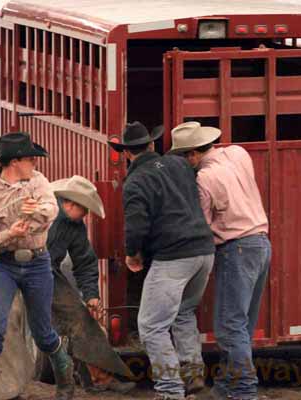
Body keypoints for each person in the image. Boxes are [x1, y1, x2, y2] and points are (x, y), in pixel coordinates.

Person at [0, 132, 75, 400]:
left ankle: (65, 378)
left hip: (37, 262)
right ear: (15, 162)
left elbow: (51, 209)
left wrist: (33, 211)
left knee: (43, 333)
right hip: (3, 264)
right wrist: (7, 235)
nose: (35, 163)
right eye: (30, 158)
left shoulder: (38, 182)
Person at [109, 121, 215, 400]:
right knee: (183, 313)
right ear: (153, 144)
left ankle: (169, 390)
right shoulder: (181, 165)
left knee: (151, 326)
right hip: (204, 251)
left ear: (127, 153)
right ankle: (193, 377)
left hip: (173, 257)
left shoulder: (135, 181)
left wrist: (133, 254)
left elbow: (136, 226)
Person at [170, 122, 271, 400]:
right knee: (242, 324)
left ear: (192, 154)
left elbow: (202, 225)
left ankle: (243, 390)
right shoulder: (238, 153)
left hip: (236, 247)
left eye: (184, 157)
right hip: (261, 242)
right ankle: (228, 385)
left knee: (229, 326)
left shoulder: (204, 178)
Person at [47, 175, 136, 394]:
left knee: (81, 319)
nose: (86, 214)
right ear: (71, 204)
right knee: (64, 323)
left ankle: (98, 378)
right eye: (84, 209)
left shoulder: (74, 226)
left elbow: (85, 262)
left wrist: (91, 295)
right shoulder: (46, 213)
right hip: (21, 268)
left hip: (47, 272)